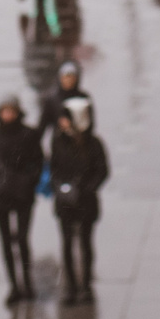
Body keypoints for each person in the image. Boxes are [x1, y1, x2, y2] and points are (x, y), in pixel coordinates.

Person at [0, 98, 45, 305]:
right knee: (6, 241)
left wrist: (29, 181)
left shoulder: (29, 134)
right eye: (4, 111)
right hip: (1, 195)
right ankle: (14, 286)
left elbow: (39, 160)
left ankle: (27, 282)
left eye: (11, 111)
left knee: (23, 239)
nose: (7, 115)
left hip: (23, 194)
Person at [47, 97, 109, 305]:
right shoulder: (58, 141)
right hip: (65, 202)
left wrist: (86, 188)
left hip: (86, 202)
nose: (62, 123)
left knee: (85, 242)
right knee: (66, 243)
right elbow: (53, 168)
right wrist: (60, 187)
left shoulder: (94, 143)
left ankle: (86, 286)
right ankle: (71, 286)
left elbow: (102, 170)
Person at [36, 60, 88, 139]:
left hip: (80, 142)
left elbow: (90, 124)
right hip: (60, 143)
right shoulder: (52, 100)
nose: (69, 80)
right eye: (66, 77)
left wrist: (73, 126)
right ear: (60, 78)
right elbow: (42, 127)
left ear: (76, 78)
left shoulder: (84, 98)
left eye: (72, 77)